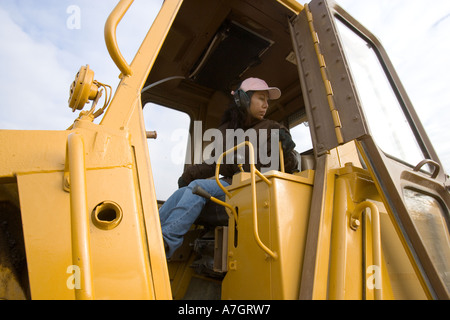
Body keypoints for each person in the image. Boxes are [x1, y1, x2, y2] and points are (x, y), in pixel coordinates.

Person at [159, 77, 298, 258]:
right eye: (261, 99)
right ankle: (151, 233)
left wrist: (288, 150)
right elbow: (216, 161)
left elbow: (290, 164)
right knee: (183, 190)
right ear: (244, 99)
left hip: (256, 187)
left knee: (196, 188)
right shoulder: (227, 130)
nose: (266, 105)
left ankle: (165, 244)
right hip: (232, 183)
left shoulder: (272, 128)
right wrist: (188, 175)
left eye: (267, 101)